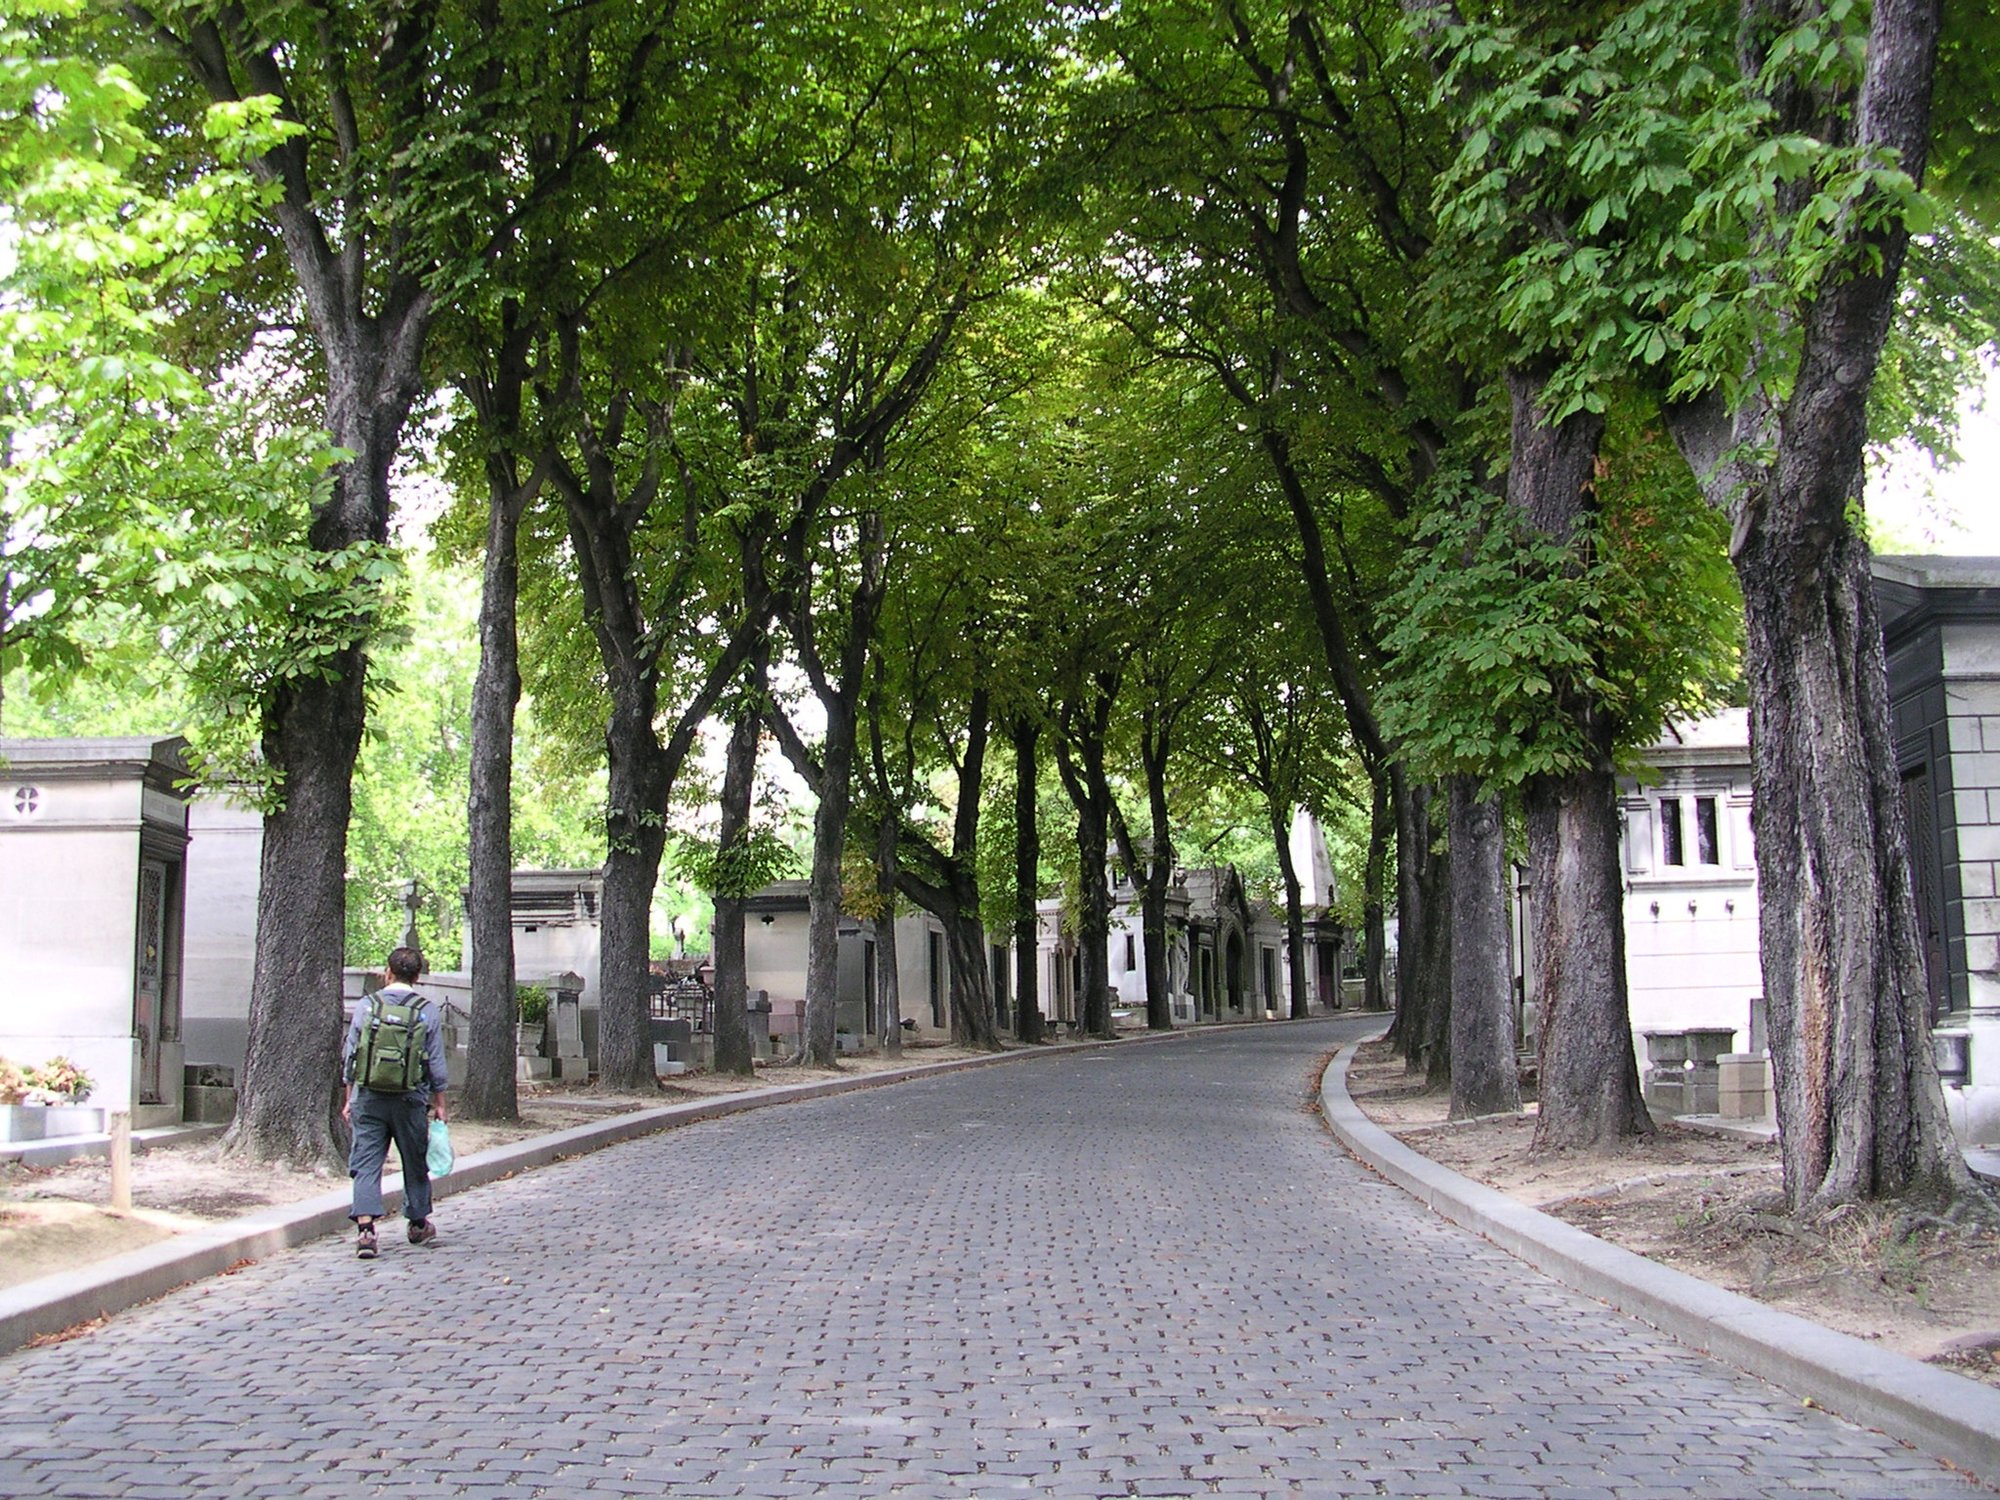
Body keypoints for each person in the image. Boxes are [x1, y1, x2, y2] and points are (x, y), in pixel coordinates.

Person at [341, 945, 449, 1259]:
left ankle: (365, 1229)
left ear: (387, 973)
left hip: (369, 1097)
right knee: (414, 1159)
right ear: (417, 976)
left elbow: (351, 1055)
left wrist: (349, 1098)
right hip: (410, 1098)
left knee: (366, 1162)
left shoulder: (367, 1006)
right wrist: (440, 1101)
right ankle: (417, 1222)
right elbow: (436, 1063)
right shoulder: (426, 1010)